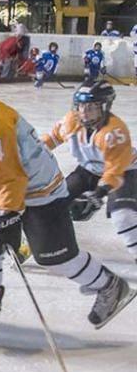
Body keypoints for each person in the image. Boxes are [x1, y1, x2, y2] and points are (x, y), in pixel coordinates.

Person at [0, 56, 133, 338]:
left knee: (58, 260)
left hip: (42, 193)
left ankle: (110, 286)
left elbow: (12, 178)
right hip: (6, 191)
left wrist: (6, 217)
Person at [42, 80, 137, 263]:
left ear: (104, 107)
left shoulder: (114, 131)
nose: (84, 112)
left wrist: (100, 192)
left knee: (122, 215)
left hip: (127, 170)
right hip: (89, 170)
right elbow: (48, 141)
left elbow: (114, 170)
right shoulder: (69, 122)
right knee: (52, 203)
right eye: (81, 106)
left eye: (92, 107)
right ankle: (40, 242)